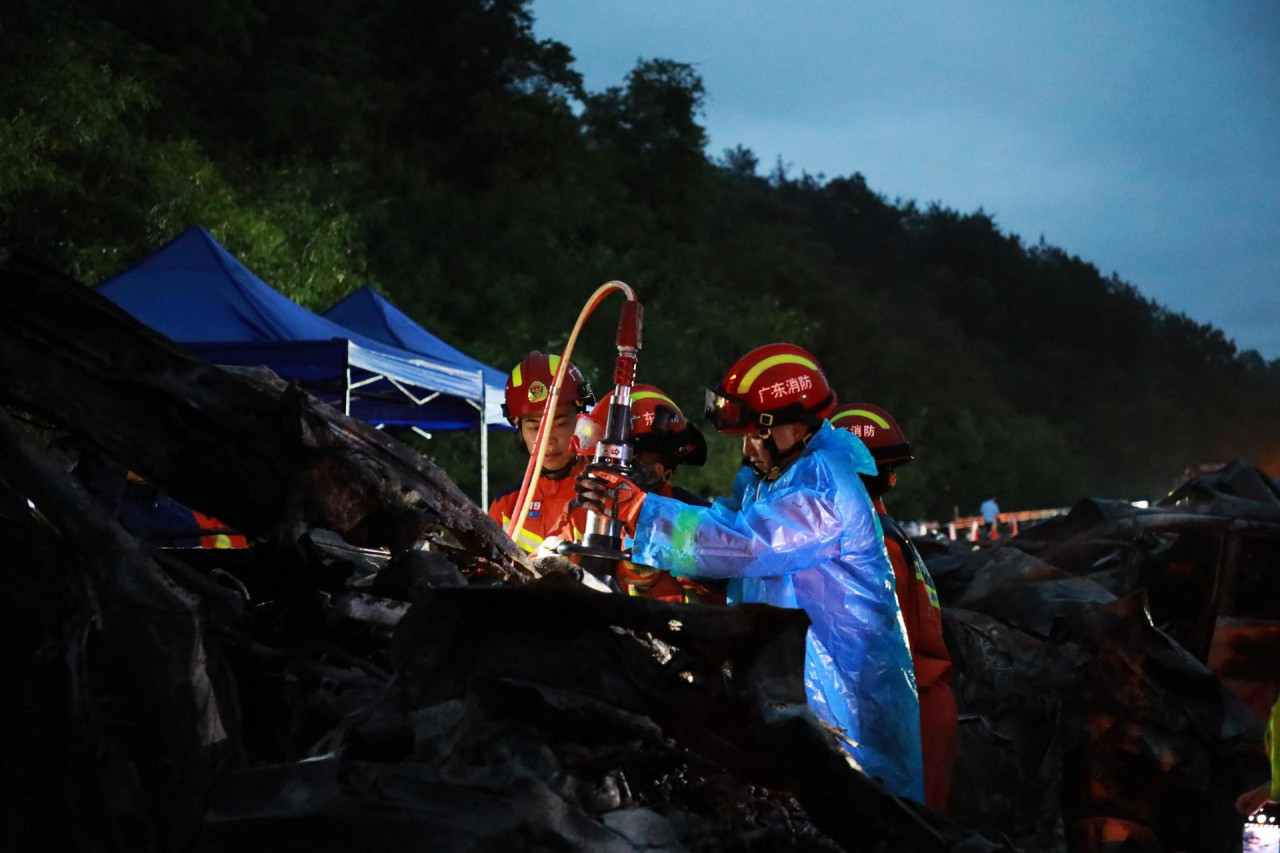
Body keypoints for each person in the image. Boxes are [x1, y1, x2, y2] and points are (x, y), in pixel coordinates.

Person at [576, 343, 924, 801]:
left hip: (849, 708)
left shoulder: (827, 487)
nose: (746, 448)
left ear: (793, 427)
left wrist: (640, 511)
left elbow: (745, 543)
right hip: (798, 696)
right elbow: (724, 532)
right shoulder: (778, 479)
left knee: (862, 815)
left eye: (754, 435)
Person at [830, 402, 957, 811]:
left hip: (906, 714)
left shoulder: (874, 547)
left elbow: (872, 655)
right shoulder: (881, 532)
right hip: (920, 705)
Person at [565, 384, 721, 603]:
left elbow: (717, 611)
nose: (598, 472)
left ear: (654, 473)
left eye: (614, 463)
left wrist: (653, 586)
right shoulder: (580, 511)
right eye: (596, 459)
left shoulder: (699, 523)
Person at [487, 351, 594, 554]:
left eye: (560, 424)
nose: (548, 440)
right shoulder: (507, 505)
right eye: (535, 428)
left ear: (581, 420)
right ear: (518, 428)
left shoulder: (605, 494)